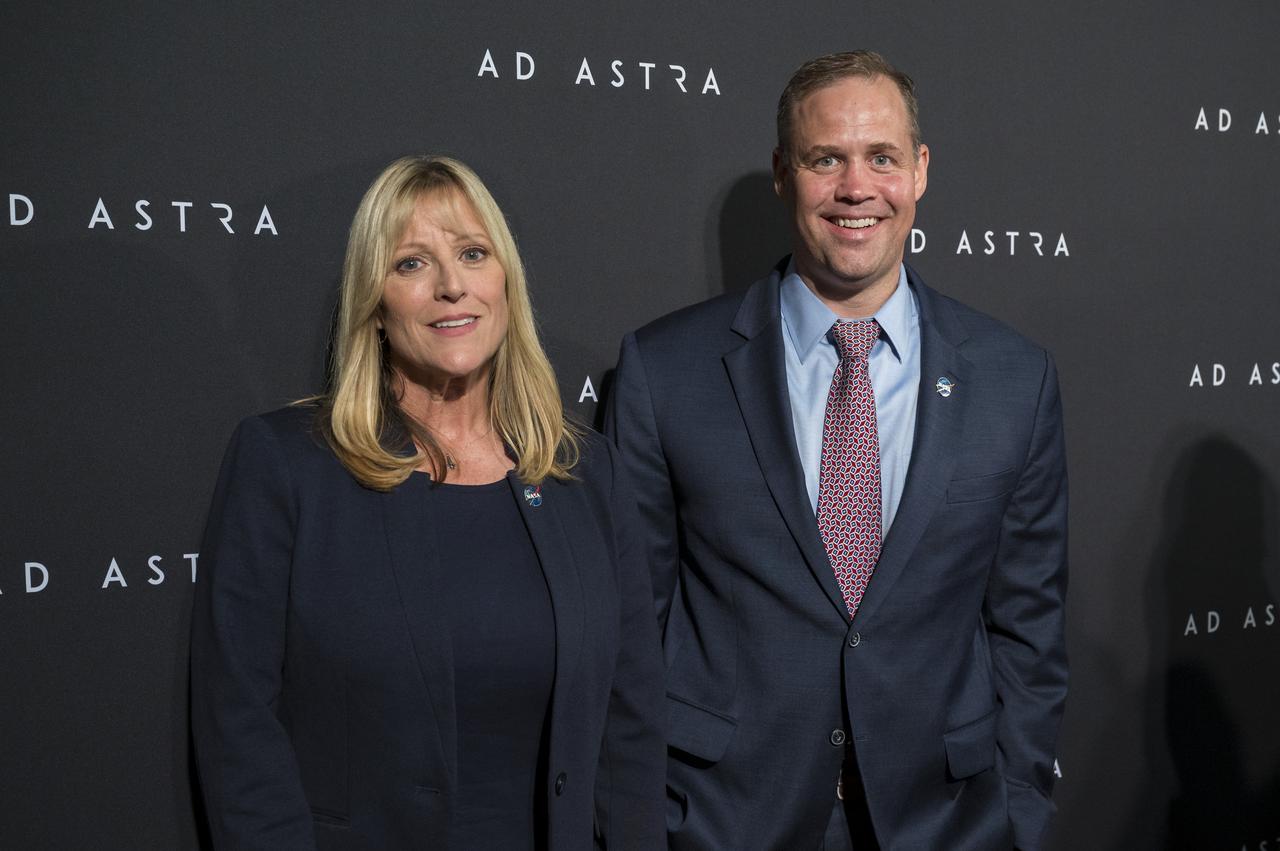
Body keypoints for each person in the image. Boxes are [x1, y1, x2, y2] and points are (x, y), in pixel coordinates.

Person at [606, 51, 1068, 850]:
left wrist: (1019, 812)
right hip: (723, 822)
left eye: (882, 157)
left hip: (947, 822)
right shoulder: (665, 370)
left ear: (920, 171)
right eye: (828, 159)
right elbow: (627, 630)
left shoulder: (1013, 379)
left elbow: (1029, 630)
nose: (858, 187)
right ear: (785, 173)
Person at [191, 155, 666, 850]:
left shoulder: (583, 473)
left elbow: (632, 724)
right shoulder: (287, 465)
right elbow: (239, 726)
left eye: (473, 254)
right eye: (412, 264)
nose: (452, 286)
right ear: (374, 305)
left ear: (506, 283)